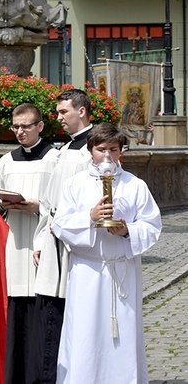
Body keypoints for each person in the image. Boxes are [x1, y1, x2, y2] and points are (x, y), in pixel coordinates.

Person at [52, 123, 161, 383]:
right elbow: (59, 224)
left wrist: (126, 231)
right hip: (88, 271)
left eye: (113, 149)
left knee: (123, 338)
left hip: (122, 271)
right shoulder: (74, 184)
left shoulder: (135, 185)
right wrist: (89, 218)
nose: (108, 156)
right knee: (85, 336)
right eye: (101, 150)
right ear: (91, 151)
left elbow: (152, 225)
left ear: (121, 150)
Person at [0, 103, 59, 384]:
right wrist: (3, 204)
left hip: (41, 244)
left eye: (26, 126)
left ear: (40, 126)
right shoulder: (6, 161)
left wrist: (38, 206)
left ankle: (39, 375)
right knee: (15, 312)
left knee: (41, 310)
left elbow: (63, 204)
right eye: (16, 127)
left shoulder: (55, 160)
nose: (20, 132)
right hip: (13, 244)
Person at [29, 88, 93, 383]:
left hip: (75, 242)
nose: (58, 118)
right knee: (49, 310)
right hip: (53, 237)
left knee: (67, 310)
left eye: (63, 112)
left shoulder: (94, 150)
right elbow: (48, 201)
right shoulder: (64, 150)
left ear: (81, 111)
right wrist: (41, 238)